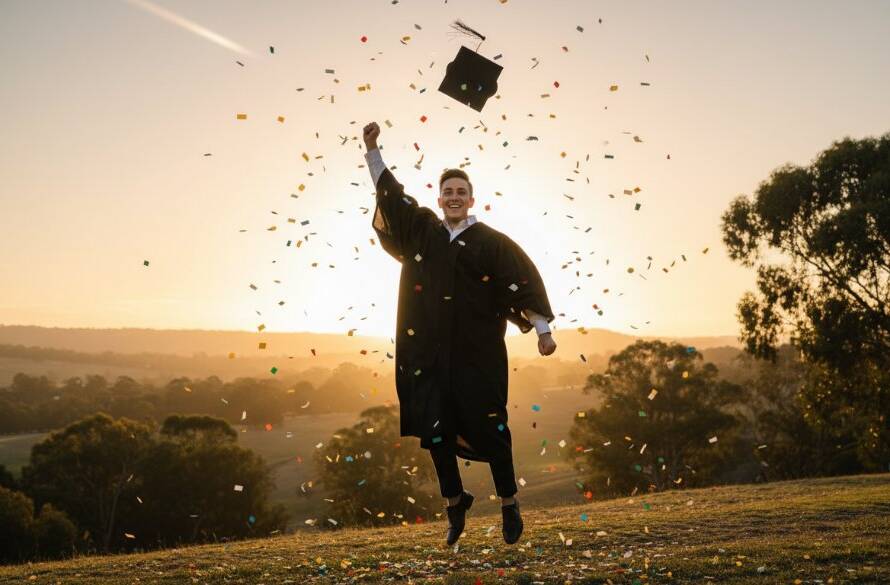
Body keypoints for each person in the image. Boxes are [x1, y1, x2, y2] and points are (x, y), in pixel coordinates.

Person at [363, 121, 556, 545]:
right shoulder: (425, 232)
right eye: (447, 191)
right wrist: (372, 148)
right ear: (439, 198)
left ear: (471, 200)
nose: (453, 197)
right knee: (435, 431)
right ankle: (455, 503)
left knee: (492, 428)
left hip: (477, 356)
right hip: (428, 354)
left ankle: (508, 502)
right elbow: (391, 197)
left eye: (460, 192)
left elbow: (520, 282)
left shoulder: (491, 242)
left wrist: (542, 329)